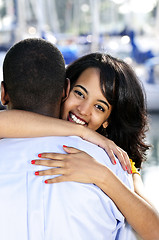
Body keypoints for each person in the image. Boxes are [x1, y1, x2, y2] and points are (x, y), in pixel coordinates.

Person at [1, 52, 159, 239]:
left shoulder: (116, 165)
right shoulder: (19, 128)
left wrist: (102, 176)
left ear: (108, 120)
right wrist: (82, 132)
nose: (83, 110)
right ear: (65, 90)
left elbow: (154, 231)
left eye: (99, 107)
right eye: (80, 93)